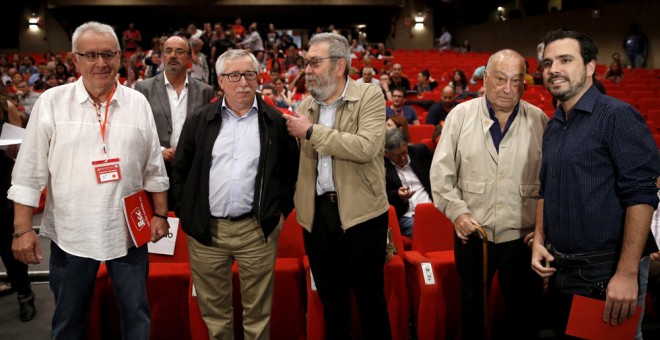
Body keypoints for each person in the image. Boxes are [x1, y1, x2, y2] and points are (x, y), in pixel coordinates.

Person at [9, 21, 170, 339]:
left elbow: (153, 166)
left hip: (128, 235)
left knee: (137, 317)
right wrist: (23, 229)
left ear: (120, 57)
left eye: (108, 54)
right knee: (68, 322)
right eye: (91, 55)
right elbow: (28, 173)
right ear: (74, 60)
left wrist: (161, 214)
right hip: (72, 236)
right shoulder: (51, 103)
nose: (101, 63)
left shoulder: (137, 103)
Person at [531, 29, 660, 340]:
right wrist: (538, 238)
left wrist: (627, 274)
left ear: (590, 67)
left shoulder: (618, 116)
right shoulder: (554, 126)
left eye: (565, 59)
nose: (554, 69)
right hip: (565, 269)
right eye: (548, 62)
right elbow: (546, 189)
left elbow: (641, 196)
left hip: (608, 270)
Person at [171, 49, 299, 339]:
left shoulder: (276, 122)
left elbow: (290, 174)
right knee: (215, 315)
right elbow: (180, 171)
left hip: (256, 231)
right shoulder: (199, 120)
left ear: (257, 78)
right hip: (207, 233)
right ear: (220, 80)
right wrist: (188, 214)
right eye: (234, 75)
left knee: (258, 316)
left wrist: (279, 215)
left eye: (249, 74)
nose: (243, 82)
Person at [431, 49, 548, 340]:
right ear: (485, 78)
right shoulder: (460, 115)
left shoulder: (540, 121)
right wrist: (457, 213)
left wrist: (544, 229)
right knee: (473, 314)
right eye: (500, 79)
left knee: (524, 317)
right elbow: (441, 175)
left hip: (522, 239)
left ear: (524, 83)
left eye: (516, 80)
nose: (508, 88)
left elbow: (552, 183)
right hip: (473, 236)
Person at [282, 32, 392, 340]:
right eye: (306, 63)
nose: (307, 69)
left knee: (371, 302)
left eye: (314, 62)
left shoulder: (369, 96)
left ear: (340, 65)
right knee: (332, 304)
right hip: (318, 219)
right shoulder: (305, 106)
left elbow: (365, 148)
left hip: (363, 216)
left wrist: (312, 132)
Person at [0, 85, 34, 322]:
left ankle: (25, 294)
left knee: (8, 247)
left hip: (2, 183)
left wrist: (14, 149)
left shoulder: (6, 106)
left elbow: (22, 145)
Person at [384, 128, 433, 238]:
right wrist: (398, 195)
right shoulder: (381, 168)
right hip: (407, 216)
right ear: (386, 154)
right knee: (423, 232)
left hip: (432, 209)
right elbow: (381, 197)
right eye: (397, 155)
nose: (402, 158)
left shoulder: (420, 152)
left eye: (404, 152)